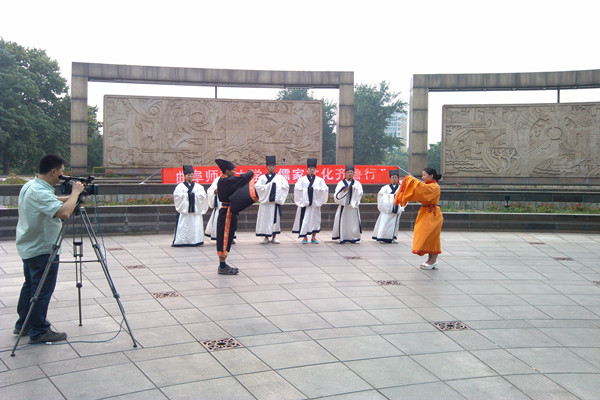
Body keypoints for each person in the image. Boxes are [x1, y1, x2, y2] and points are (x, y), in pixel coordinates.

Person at [14, 154, 84, 343]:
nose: (63, 176)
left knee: (31, 286)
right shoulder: (39, 192)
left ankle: (24, 324)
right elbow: (64, 213)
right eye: (62, 172)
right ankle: (39, 331)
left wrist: (72, 196)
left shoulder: (31, 186)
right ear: (54, 172)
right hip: (42, 248)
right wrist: (75, 194)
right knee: (42, 290)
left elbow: (51, 200)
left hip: (30, 246)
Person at [394, 168, 444, 269]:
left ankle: (433, 261)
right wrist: (409, 182)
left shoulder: (434, 187)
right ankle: (430, 260)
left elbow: (421, 189)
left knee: (432, 237)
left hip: (433, 214)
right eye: (422, 175)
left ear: (431, 176)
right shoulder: (427, 186)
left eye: (424, 175)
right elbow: (419, 191)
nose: (422, 177)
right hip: (425, 212)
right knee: (426, 236)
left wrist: (410, 180)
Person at [215, 159, 254, 275]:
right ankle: (222, 266)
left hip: (228, 211)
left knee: (226, 238)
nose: (235, 172)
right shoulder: (225, 181)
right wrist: (250, 172)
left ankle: (223, 265)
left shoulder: (224, 180)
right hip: (226, 213)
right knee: (224, 239)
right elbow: (242, 179)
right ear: (227, 171)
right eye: (233, 170)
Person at [292, 158, 329, 244]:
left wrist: (315, 191)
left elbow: (325, 189)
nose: (312, 170)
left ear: (315, 169)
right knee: (304, 220)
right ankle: (304, 236)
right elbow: (297, 189)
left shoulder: (319, 180)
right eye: (310, 168)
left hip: (314, 204)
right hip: (305, 204)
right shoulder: (302, 180)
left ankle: (313, 236)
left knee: (315, 220)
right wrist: (307, 191)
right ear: (307, 169)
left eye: (313, 168)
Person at [172, 165, 209, 247]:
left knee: (195, 225)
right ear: (184, 176)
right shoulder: (180, 186)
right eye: (188, 175)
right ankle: (183, 240)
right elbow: (177, 196)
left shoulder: (198, 186)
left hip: (195, 210)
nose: (190, 176)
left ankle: (196, 240)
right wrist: (188, 195)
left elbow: (203, 196)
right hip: (185, 211)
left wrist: (193, 195)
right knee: (184, 225)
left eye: (192, 175)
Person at [255, 156, 289, 244]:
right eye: (269, 166)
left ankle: (274, 237)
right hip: (265, 203)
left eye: (273, 166)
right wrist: (269, 187)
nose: (271, 168)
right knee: (265, 219)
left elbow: (285, 187)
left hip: (274, 203)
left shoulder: (280, 178)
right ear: (266, 167)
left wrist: (276, 188)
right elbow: (258, 187)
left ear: (275, 167)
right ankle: (266, 237)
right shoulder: (262, 178)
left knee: (275, 220)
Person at [332, 165, 364, 243]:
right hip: (344, 206)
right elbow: (337, 194)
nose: (350, 174)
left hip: (353, 206)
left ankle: (354, 238)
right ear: (345, 173)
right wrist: (344, 190)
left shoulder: (357, 183)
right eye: (348, 172)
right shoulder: (341, 183)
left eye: (351, 172)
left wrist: (353, 189)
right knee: (343, 222)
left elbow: (360, 193)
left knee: (353, 222)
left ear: (354, 173)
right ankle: (342, 237)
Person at [372, 169, 405, 243]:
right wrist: (391, 197)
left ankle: (392, 237)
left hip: (396, 208)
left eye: (395, 177)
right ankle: (382, 236)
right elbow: (381, 196)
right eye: (393, 177)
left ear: (398, 178)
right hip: (387, 209)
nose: (394, 179)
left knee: (394, 224)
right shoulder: (385, 188)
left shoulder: (401, 188)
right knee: (384, 223)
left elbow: (404, 197)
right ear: (390, 178)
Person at [204, 174, 221, 241]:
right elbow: (210, 191)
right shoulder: (217, 180)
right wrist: (214, 192)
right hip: (220, 204)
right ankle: (218, 236)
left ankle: (230, 237)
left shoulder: (233, 179)